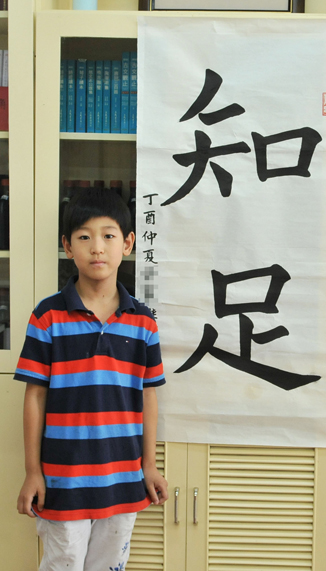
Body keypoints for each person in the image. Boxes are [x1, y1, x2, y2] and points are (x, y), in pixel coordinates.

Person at [14, 188, 168, 571]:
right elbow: (35, 396)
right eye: (84, 237)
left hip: (122, 477)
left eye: (108, 235)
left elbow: (148, 396)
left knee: (110, 565)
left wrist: (149, 465)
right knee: (62, 564)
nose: (97, 247)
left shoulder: (143, 322)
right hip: (63, 479)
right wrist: (33, 472)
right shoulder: (47, 317)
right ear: (68, 246)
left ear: (127, 244)